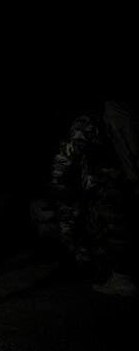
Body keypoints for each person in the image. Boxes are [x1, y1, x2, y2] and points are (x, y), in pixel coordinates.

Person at [48, 100, 137, 296]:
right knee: (114, 228)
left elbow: (70, 152)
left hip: (104, 182)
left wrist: (56, 176)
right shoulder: (114, 117)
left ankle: (121, 278)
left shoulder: (87, 121)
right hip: (117, 179)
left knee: (113, 230)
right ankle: (113, 273)